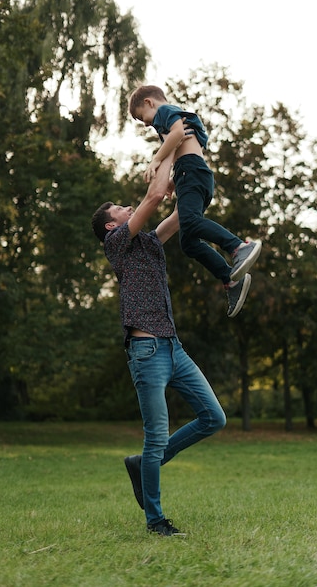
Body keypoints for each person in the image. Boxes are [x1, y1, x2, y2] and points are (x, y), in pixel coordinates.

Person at [91, 153, 227, 537]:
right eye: (118, 207)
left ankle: (142, 465)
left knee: (214, 418)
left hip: (173, 348)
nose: (124, 204)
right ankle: (156, 520)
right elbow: (151, 199)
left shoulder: (148, 244)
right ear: (111, 224)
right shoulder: (116, 244)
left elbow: (180, 216)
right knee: (155, 438)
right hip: (146, 352)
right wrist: (166, 153)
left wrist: (188, 182)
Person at [128, 84, 262, 318]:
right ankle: (231, 281)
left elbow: (178, 134)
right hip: (190, 173)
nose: (147, 123)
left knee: (189, 221)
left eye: (142, 117)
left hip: (191, 172)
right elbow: (187, 147)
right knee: (189, 243)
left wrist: (156, 161)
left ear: (149, 102)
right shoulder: (174, 115)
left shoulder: (165, 111)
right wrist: (172, 181)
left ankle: (239, 246)